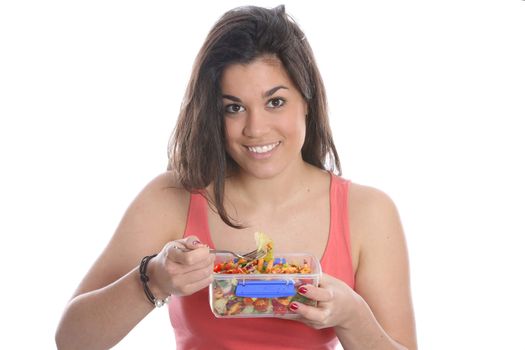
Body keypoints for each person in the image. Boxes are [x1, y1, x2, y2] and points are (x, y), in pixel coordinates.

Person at [56, 5, 417, 349]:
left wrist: (352, 316)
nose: (255, 129)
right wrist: (153, 279)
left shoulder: (368, 212)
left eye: (275, 101)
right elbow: (71, 341)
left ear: (306, 100)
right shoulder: (171, 197)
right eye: (234, 108)